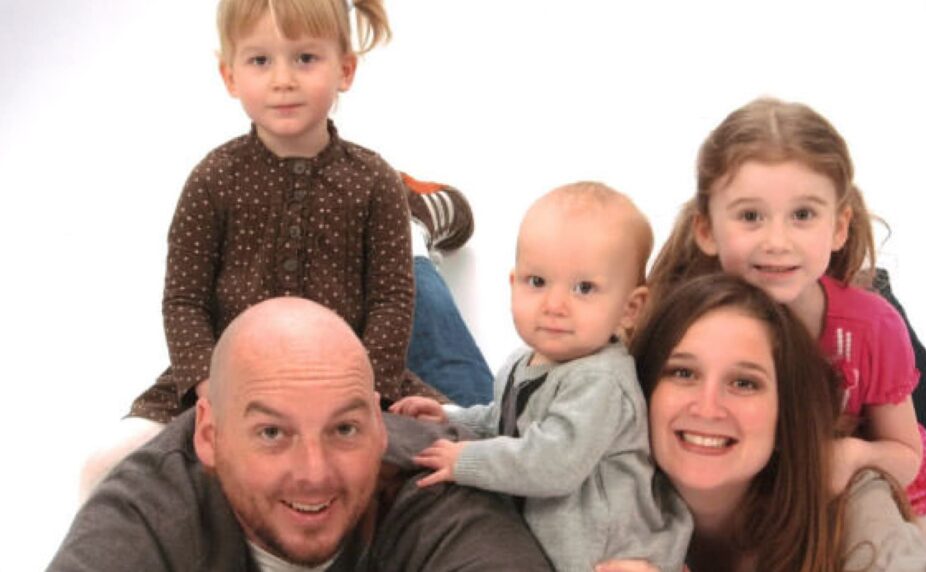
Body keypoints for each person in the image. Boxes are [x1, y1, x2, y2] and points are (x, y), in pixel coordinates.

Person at [645, 96, 926, 570]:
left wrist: (849, 455)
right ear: (706, 229)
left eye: (802, 215)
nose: (776, 241)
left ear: (839, 226)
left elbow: (903, 452)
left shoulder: (870, 325)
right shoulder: (681, 315)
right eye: (750, 216)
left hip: (883, 471)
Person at [49, 297, 553, 571]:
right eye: (272, 432)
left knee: (455, 358)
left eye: (345, 429)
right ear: (209, 435)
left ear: (378, 427)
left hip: (440, 412)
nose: (314, 474)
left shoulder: (435, 479)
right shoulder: (152, 502)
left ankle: (414, 241)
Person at [131, 0, 444, 426]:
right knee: (112, 463)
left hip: (351, 379)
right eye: (260, 60)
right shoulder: (213, 178)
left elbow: (391, 301)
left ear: (345, 70)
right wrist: (209, 386)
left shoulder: (374, 180)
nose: (283, 80)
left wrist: (364, 389)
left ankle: (425, 219)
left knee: (454, 445)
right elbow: (185, 300)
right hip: (230, 379)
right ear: (230, 76)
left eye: (306, 58)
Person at [390, 183, 692, 571]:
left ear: (630, 309)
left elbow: (554, 462)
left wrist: (467, 460)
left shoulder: (602, 380)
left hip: (613, 556)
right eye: (537, 282)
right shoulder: (525, 360)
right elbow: (504, 421)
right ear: (513, 284)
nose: (554, 305)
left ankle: (411, 241)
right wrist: (449, 416)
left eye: (584, 288)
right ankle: (409, 244)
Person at [608, 273, 926, 571]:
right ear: (643, 394)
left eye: (744, 383)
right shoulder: (589, 492)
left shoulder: (852, 501)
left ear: (786, 414)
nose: (707, 409)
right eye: (682, 373)